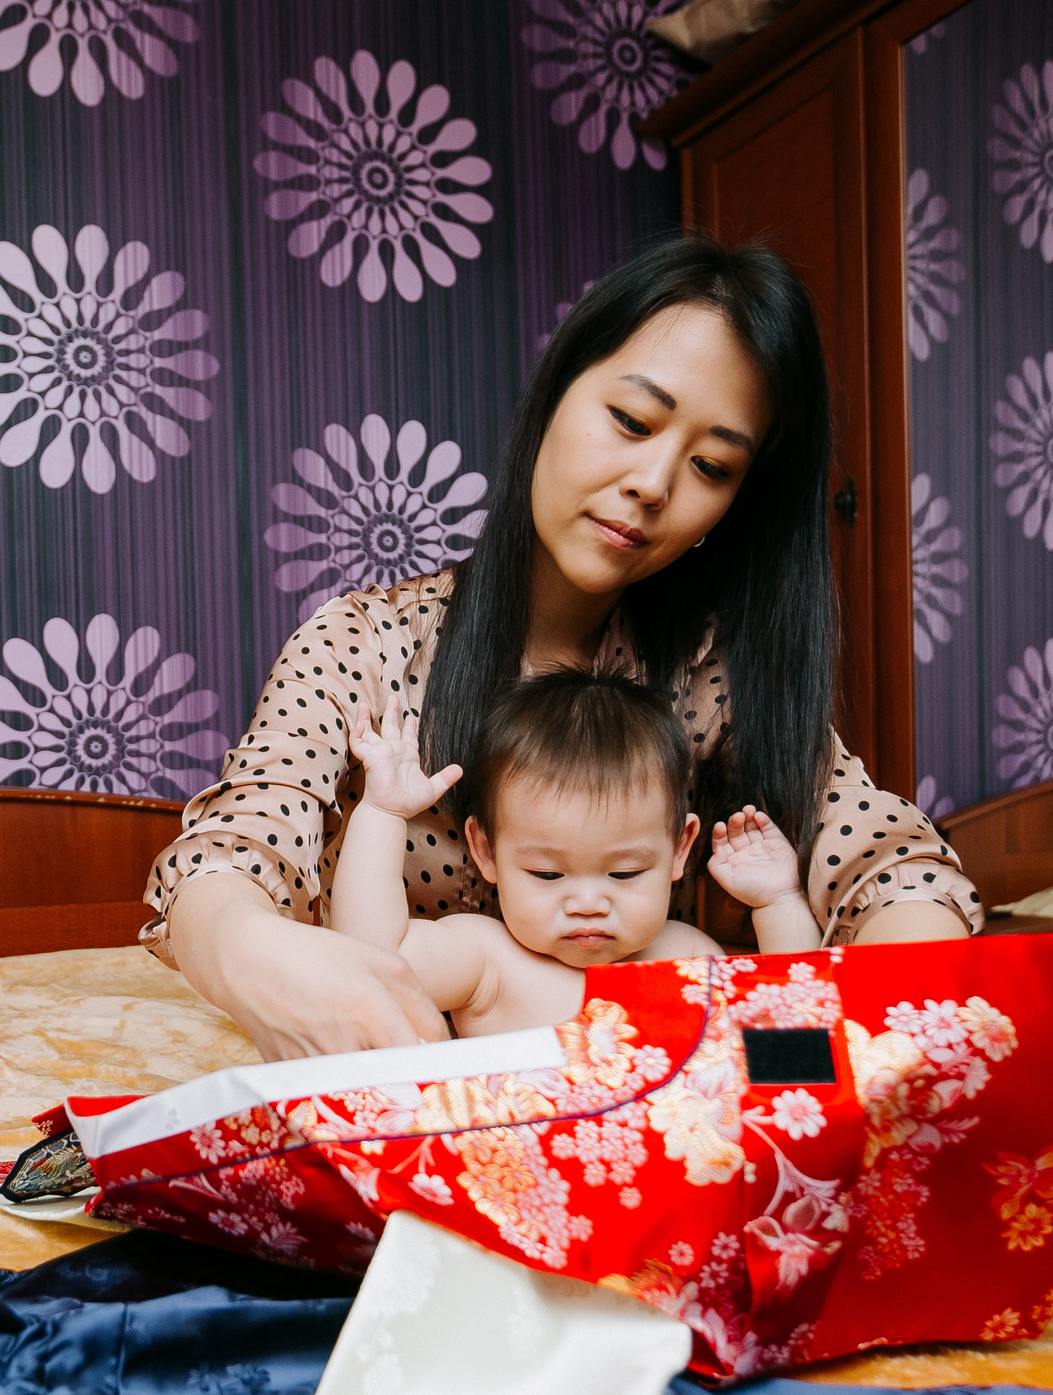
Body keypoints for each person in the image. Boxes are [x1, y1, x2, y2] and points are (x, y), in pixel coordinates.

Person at [143, 233, 981, 1059]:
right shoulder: (365, 646)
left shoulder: (708, 673)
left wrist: (903, 1026)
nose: (653, 484)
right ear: (554, 395)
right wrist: (251, 954)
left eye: (713, 467)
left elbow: (893, 867)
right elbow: (234, 855)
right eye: (630, 419)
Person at [330, 670, 820, 1036]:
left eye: (625, 873)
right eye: (546, 874)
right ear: (486, 851)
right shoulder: (486, 961)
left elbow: (796, 1034)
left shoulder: (687, 956)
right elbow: (372, 963)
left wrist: (779, 904)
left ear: (678, 850)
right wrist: (382, 813)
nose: (587, 902)